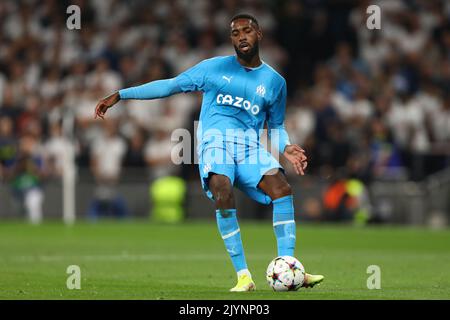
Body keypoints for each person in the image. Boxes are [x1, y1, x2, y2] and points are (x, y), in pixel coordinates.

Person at [94, 14, 324, 292]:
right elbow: (170, 85)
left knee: (282, 188)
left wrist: (286, 147)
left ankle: (290, 266)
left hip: (249, 148)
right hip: (216, 144)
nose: (241, 36)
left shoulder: (275, 82)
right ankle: (243, 276)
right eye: (235, 32)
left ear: (259, 35)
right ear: (231, 39)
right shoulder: (212, 69)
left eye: (247, 30)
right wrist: (121, 94)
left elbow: (275, 125)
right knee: (222, 189)